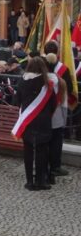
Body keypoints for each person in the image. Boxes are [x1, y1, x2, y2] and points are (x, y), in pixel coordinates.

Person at [15, 56, 56, 190]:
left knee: (28, 150)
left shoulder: (22, 81)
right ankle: (40, 181)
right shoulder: (47, 83)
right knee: (41, 151)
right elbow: (53, 104)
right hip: (43, 120)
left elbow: (17, 101)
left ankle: (29, 181)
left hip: (27, 120)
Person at [43, 53, 69, 183]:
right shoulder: (60, 81)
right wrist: (64, 119)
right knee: (55, 144)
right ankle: (54, 167)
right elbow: (63, 103)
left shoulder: (40, 80)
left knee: (45, 144)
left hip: (43, 117)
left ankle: (45, 169)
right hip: (57, 117)